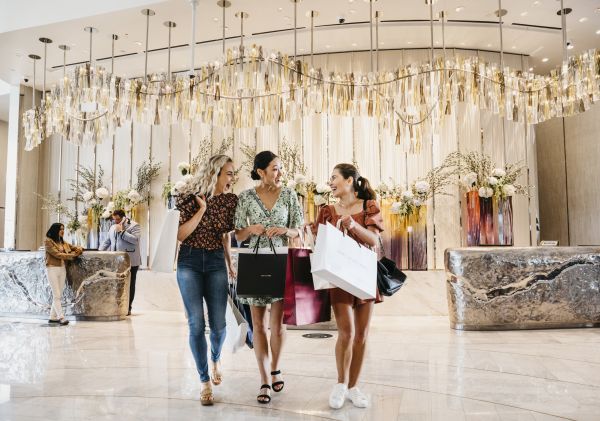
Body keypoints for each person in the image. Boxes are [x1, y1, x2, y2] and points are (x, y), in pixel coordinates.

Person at [234, 150, 303, 404]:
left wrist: (286, 229)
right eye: (274, 168)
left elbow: (299, 229)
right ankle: (263, 380)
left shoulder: (289, 195)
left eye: (280, 168)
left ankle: (275, 368)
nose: (279, 173)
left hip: (281, 261)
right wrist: (252, 229)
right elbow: (239, 234)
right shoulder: (245, 197)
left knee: (278, 324)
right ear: (261, 172)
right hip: (254, 261)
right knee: (259, 325)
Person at [312, 163, 384, 410]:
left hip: (364, 275)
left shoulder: (369, 207)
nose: (330, 182)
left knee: (362, 335)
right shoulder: (327, 211)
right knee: (347, 332)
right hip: (340, 277)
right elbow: (318, 241)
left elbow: (374, 240)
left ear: (350, 181)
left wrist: (352, 225)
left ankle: (353, 387)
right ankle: (340, 384)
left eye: (334, 178)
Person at [176, 154, 238, 406]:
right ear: (216, 173)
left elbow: (224, 235)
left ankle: (215, 358)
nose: (233, 178)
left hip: (214, 262)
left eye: (233, 173)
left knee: (220, 325)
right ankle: (204, 381)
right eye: (229, 173)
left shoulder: (230, 201)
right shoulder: (189, 197)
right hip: (189, 261)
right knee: (195, 324)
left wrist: (228, 261)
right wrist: (201, 209)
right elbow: (180, 234)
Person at [99, 209, 141, 316]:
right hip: (116, 261)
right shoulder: (113, 226)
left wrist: (122, 232)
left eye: (117, 219)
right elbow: (107, 241)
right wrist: (99, 251)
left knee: (130, 284)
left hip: (131, 260)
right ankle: (119, 306)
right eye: (114, 220)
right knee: (118, 284)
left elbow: (136, 240)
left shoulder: (134, 225)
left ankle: (128, 308)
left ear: (123, 217)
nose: (116, 222)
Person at [44, 223, 83, 325]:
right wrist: (72, 255)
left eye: (63, 229)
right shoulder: (48, 241)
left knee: (58, 294)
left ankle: (52, 317)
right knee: (56, 294)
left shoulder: (63, 242)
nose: (62, 231)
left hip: (62, 269)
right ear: (55, 230)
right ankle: (61, 317)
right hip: (52, 269)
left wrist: (78, 250)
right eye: (60, 229)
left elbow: (75, 248)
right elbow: (57, 254)